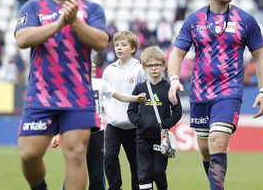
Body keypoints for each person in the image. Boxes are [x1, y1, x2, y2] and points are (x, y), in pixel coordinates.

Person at [14, 0, 110, 190]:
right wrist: (59, 23)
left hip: (77, 96)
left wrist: (75, 21)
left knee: (77, 155)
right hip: (41, 95)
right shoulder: (34, 7)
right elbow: (23, 39)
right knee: (28, 154)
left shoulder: (91, 9)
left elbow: (101, 41)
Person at [167, 0, 263, 190]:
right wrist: (174, 79)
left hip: (229, 91)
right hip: (200, 92)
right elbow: (176, 53)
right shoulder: (194, 20)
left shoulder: (245, 20)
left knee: (217, 141)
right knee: (205, 149)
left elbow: (260, 56)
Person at [51, 61, 146, 190]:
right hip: (76, 132)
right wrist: (57, 133)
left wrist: (135, 98)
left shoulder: (100, 84)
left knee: (97, 174)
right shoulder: (72, 84)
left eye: (95, 64)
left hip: (96, 134)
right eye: (90, 63)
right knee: (73, 169)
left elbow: (119, 96)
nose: (94, 66)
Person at [128, 46, 182, 190]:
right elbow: (131, 111)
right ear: (144, 67)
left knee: (158, 172)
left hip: (161, 138)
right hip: (142, 137)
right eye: (149, 65)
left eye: (157, 65)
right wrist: (140, 123)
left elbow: (177, 112)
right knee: (144, 173)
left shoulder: (169, 88)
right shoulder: (139, 88)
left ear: (164, 66)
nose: (153, 68)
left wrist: (165, 124)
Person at [103, 30, 147, 190]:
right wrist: (106, 113)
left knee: (136, 163)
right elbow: (104, 95)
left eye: (123, 45)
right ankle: (115, 187)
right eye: (116, 45)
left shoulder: (140, 70)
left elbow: (145, 96)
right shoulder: (109, 70)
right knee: (109, 157)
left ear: (133, 48)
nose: (119, 48)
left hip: (134, 125)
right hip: (114, 124)